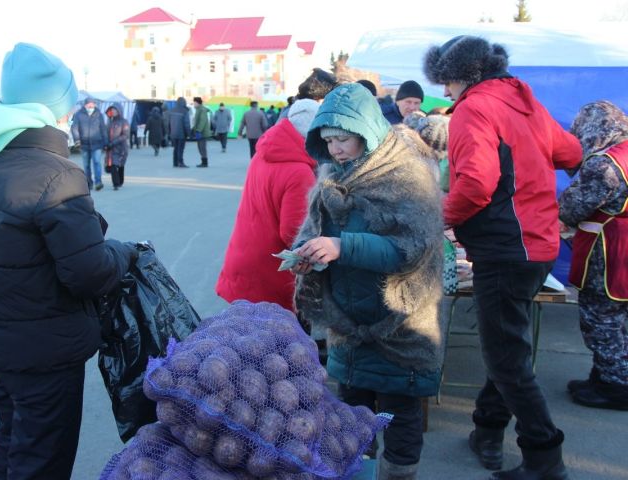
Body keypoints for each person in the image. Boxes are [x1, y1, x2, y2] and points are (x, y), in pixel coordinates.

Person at [0, 42, 136, 479]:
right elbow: (89, 273)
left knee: (13, 438)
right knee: (41, 460)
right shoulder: (56, 174)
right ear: (55, 108)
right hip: (42, 346)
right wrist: (124, 253)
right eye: (68, 108)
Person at [423, 35, 582, 478]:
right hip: (539, 245)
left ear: (456, 76)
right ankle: (487, 431)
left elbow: (475, 184)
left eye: (446, 84)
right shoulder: (521, 99)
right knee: (506, 348)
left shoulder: (476, 107)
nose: (447, 93)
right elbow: (571, 152)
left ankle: (545, 458)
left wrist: (439, 216)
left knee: (507, 359)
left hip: (506, 248)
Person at [292, 83, 445, 480]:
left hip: (398, 323)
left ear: (367, 132)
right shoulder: (332, 174)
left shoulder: (407, 176)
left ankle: (397, 475)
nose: (335, 149)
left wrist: (342, 247)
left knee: (399, 415)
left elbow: (412, 249)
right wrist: (306, 253)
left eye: (342, 139)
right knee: (351, 419)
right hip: (347, 323)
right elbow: (315, 229)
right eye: (328, 141)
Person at [216, 99, 320, 311]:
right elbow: (294, 234)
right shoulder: (299, 172)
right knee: (271, 342)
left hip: (243, 259)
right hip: (270, 274)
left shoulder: (263, 154)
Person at [558, 100, 628, 411]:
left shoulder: (605, 164)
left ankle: (614, 387)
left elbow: (571, 208)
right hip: (621, 247)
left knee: (602, 319)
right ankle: (604, 377)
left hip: (608, 251)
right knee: (621, 318)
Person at [71, 97, 107, 190]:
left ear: (95, 105)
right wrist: (77, 140)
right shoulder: (79, 114)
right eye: (89, 104)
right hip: (84, 145)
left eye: (92, 104)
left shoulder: (99, 114)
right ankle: (89, 183)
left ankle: (98, 182)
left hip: (97, 144)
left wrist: (105, 142)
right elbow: (74, 128)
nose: (91, 106)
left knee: (97, 162)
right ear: (85, 105)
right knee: (86, 165)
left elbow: (103, 128)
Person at [105, 104, 130, 190]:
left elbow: (125, 135)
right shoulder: (110, 122)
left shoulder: (124, 122)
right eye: (112, 110)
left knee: (120, 165)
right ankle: (115, 184)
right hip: (111, 148)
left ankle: (120, 181)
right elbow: (106, 134)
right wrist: (105, 143)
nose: (113, 112)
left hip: (121, 148)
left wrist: (113, 142)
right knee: (113, 165)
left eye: (115, 110)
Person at [168, 97, 190, 168]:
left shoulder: (172, 110)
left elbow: (168, 123)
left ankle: (175, 162)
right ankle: (180, 162)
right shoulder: (184, 111)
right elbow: (186, 124)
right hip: (181, 133)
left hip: (173, 133)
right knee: (181, 148)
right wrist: (188, 133)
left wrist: (169, 132)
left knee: (175, 148)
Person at [192, 97, 212, 168]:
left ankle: (204, 163)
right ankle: (203, 162)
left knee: (202, 147)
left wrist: (198, 130)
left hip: (202, 132)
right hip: (200, 131)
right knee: (200, 147)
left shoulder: (202, 110)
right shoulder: (198, 109)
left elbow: (202, 121)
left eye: (194, 103)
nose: (193, 104)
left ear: (197, 103)